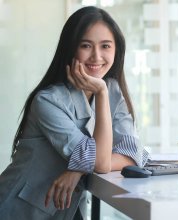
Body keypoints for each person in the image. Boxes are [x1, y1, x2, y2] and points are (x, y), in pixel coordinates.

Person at [0, 6, 149, 220]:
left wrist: (78, 169)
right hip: (17, 210)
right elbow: (100, 163)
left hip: (65, 210)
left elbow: (133, 153)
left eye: (105, 46)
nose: (96, 56)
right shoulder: (48, 101)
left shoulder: (112, 91)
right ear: (71, 49)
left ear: (116, 50)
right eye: (86, 45)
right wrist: (100, 91)